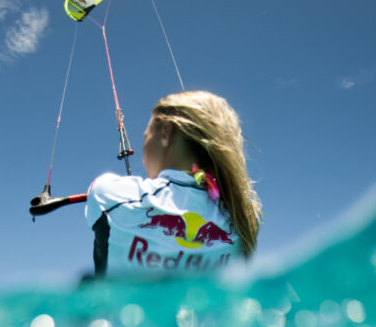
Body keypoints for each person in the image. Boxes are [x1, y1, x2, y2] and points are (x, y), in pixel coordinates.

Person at [85, 90, 262, 276]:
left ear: (165, 133)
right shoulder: (245, 216)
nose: (143, 157)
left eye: (146, 137)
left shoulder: (110, 194)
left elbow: (98, 188)